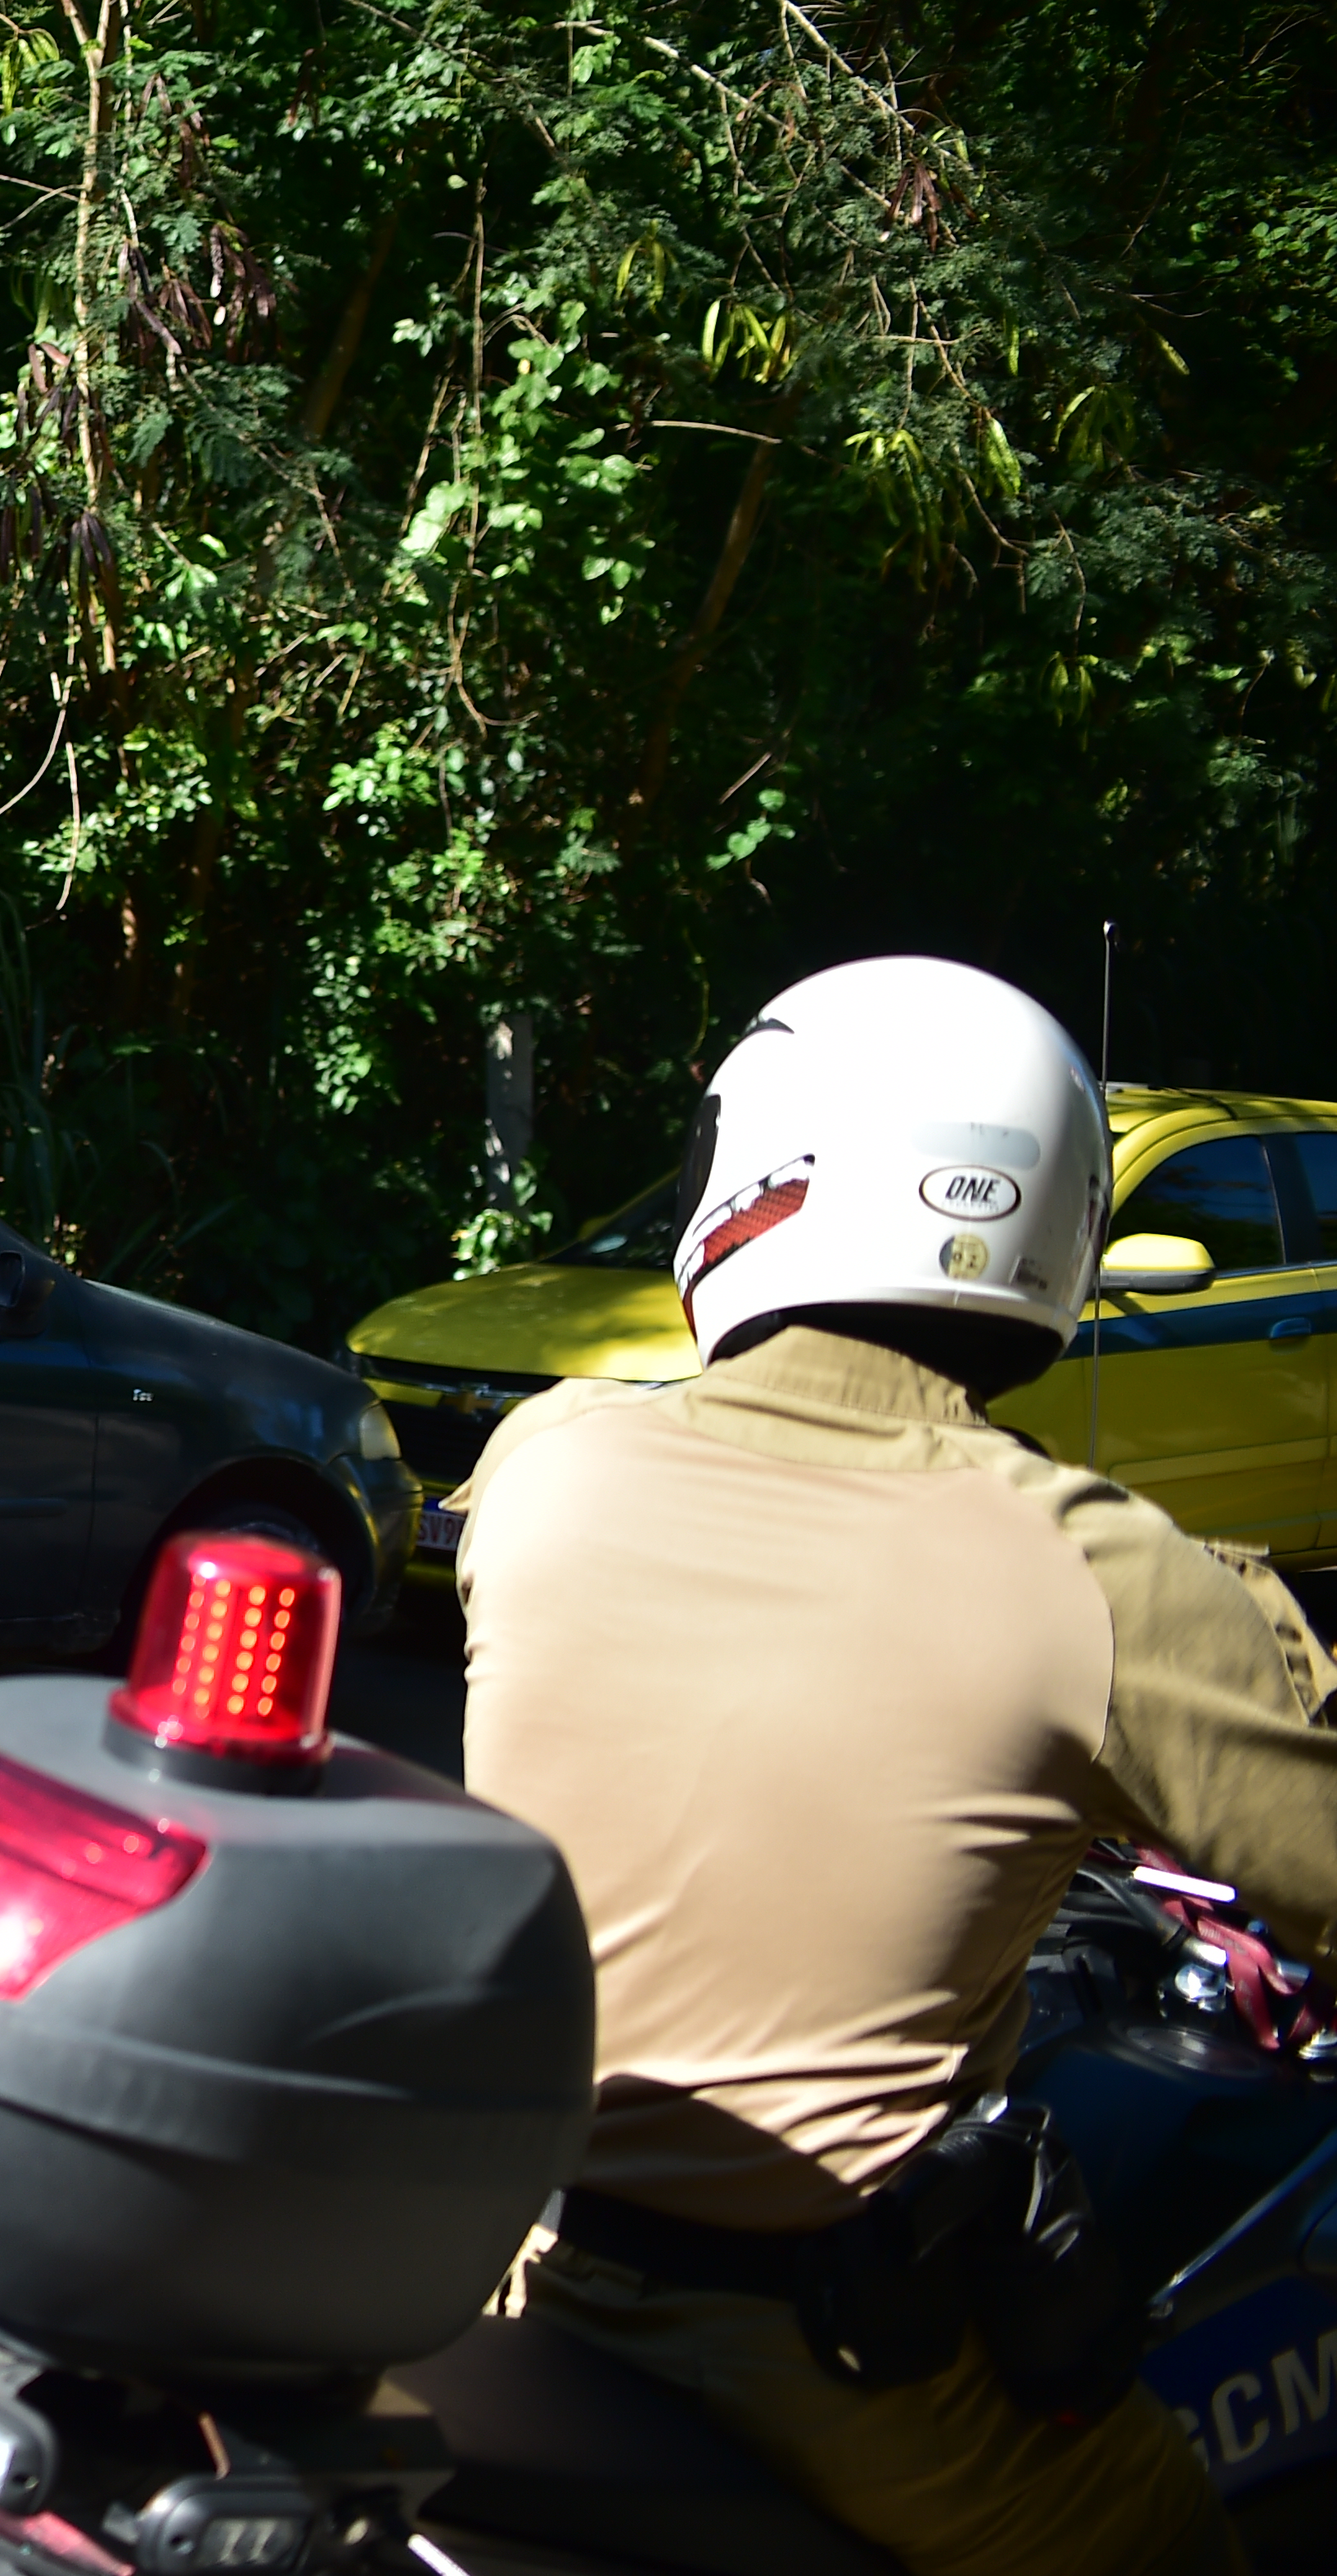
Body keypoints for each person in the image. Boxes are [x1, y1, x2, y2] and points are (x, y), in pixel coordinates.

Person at [455, 955, 1337, 2576]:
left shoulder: (546, 1456)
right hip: (827, 2364)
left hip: (518, 2272)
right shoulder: (1100, 1571)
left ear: (755, 1176)